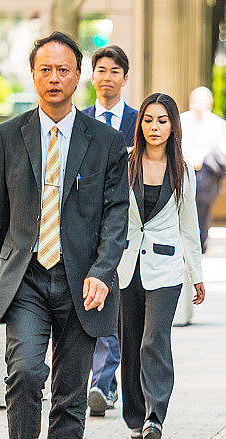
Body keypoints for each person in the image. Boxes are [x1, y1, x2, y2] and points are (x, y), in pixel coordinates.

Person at [0, 31, 129, 439]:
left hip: (82, 283)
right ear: (34, 73)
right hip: (24, 278)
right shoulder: (8, 135)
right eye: (46, 69)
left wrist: (104, 272)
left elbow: (115, 215)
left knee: (70, 390)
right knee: (24, 372)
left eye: (64, 70)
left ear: (78, 76)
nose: (54, 78)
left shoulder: (105, 141)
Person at [116, 92, 205, 439]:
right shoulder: (124, 163)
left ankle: (155, 414)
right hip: (126, 265)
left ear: (173, 126)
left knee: (154, 339)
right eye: (149, 120)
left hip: (166, 268)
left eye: (162, 120)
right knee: (130, 342)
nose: (155, 127)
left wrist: (196, 273)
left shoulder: (182, 169)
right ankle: (135, 419)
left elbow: (189, 225)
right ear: (140, 125)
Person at [82, 44, 139, 418]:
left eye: (114, 71)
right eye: (101, 70)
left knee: (118, 310)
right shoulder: (79, 119)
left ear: (125, 77)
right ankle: (103, 382)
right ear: (92, 76)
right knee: (95, 302)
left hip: (128, 228)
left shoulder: (141, 121)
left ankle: (103, 382)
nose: (107, 78)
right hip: (85, 230)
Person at [180, 86, 226, 253]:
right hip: (184, 170)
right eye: (195, 102)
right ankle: (184, 244)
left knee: (204, 209)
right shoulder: (182, 120)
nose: (198, 106)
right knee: (183, 207)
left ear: (210, 104)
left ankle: (201, 246)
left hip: (206, 173)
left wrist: (210, 155)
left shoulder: (217, 123)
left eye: (202, 103)